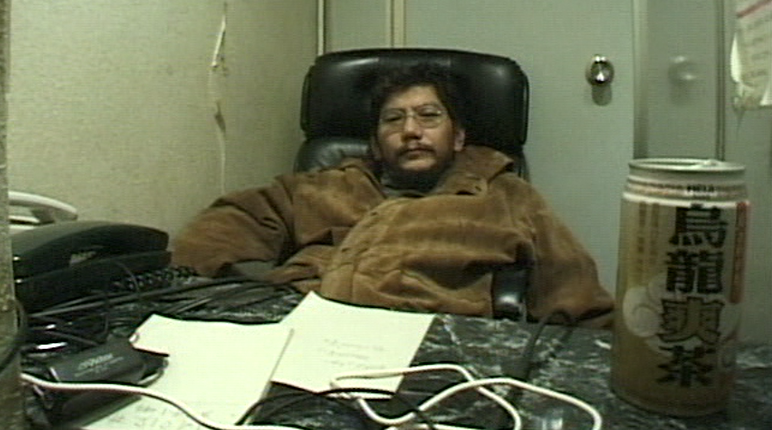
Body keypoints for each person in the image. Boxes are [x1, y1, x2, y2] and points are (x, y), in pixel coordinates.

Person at [172, 63, 613, 324]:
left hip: (428, 342)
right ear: (375, 143)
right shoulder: (327, 185)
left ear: (458, 137)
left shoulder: (505, 195)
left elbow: (576, 295)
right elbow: (229, 223)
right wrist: (249, 290)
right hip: (299, 327)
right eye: (393, 120)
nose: (411, 131)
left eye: (428, 116)